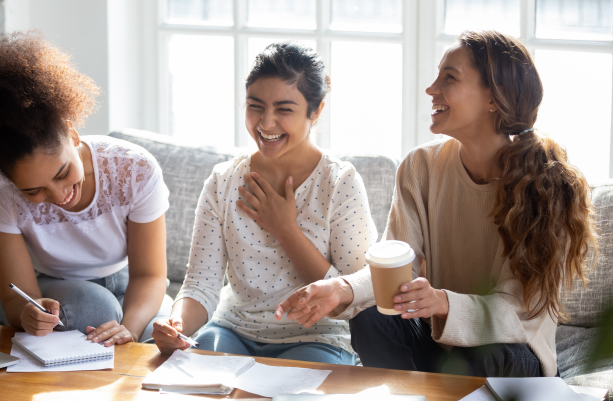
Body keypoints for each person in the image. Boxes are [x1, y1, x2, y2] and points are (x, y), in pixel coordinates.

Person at [276, 30, 597, 377]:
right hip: (442, 349)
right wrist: (342, 288)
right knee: (370, 319)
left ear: (494, 98)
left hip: (512, 353)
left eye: (450, 78)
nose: (431, 89)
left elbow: (516, 314)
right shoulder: (420, 167)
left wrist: (442, 302)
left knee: (485, 357)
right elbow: (399, 271)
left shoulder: (547, 187)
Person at [0, 32, 172, 346]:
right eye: (33, 191)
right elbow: (16, 300)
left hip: (128, 281)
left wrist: (132, 329)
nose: (58, 197)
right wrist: (29, 313)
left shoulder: (134, 169)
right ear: (8, 179)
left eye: (62, 173)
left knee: (165, 331)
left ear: (72, 134)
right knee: (94, 309)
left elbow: (149, 275)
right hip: (59, 288)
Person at [151, 42, 376, 365]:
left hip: (317, 338)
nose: (266, 123)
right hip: (231, 330)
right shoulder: (223, 181)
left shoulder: (340, 183)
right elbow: (201, 284)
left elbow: (354, 296)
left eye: (284, 109)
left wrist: (286, 229)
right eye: (255, 106)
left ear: (316, 111)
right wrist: (177, 324)